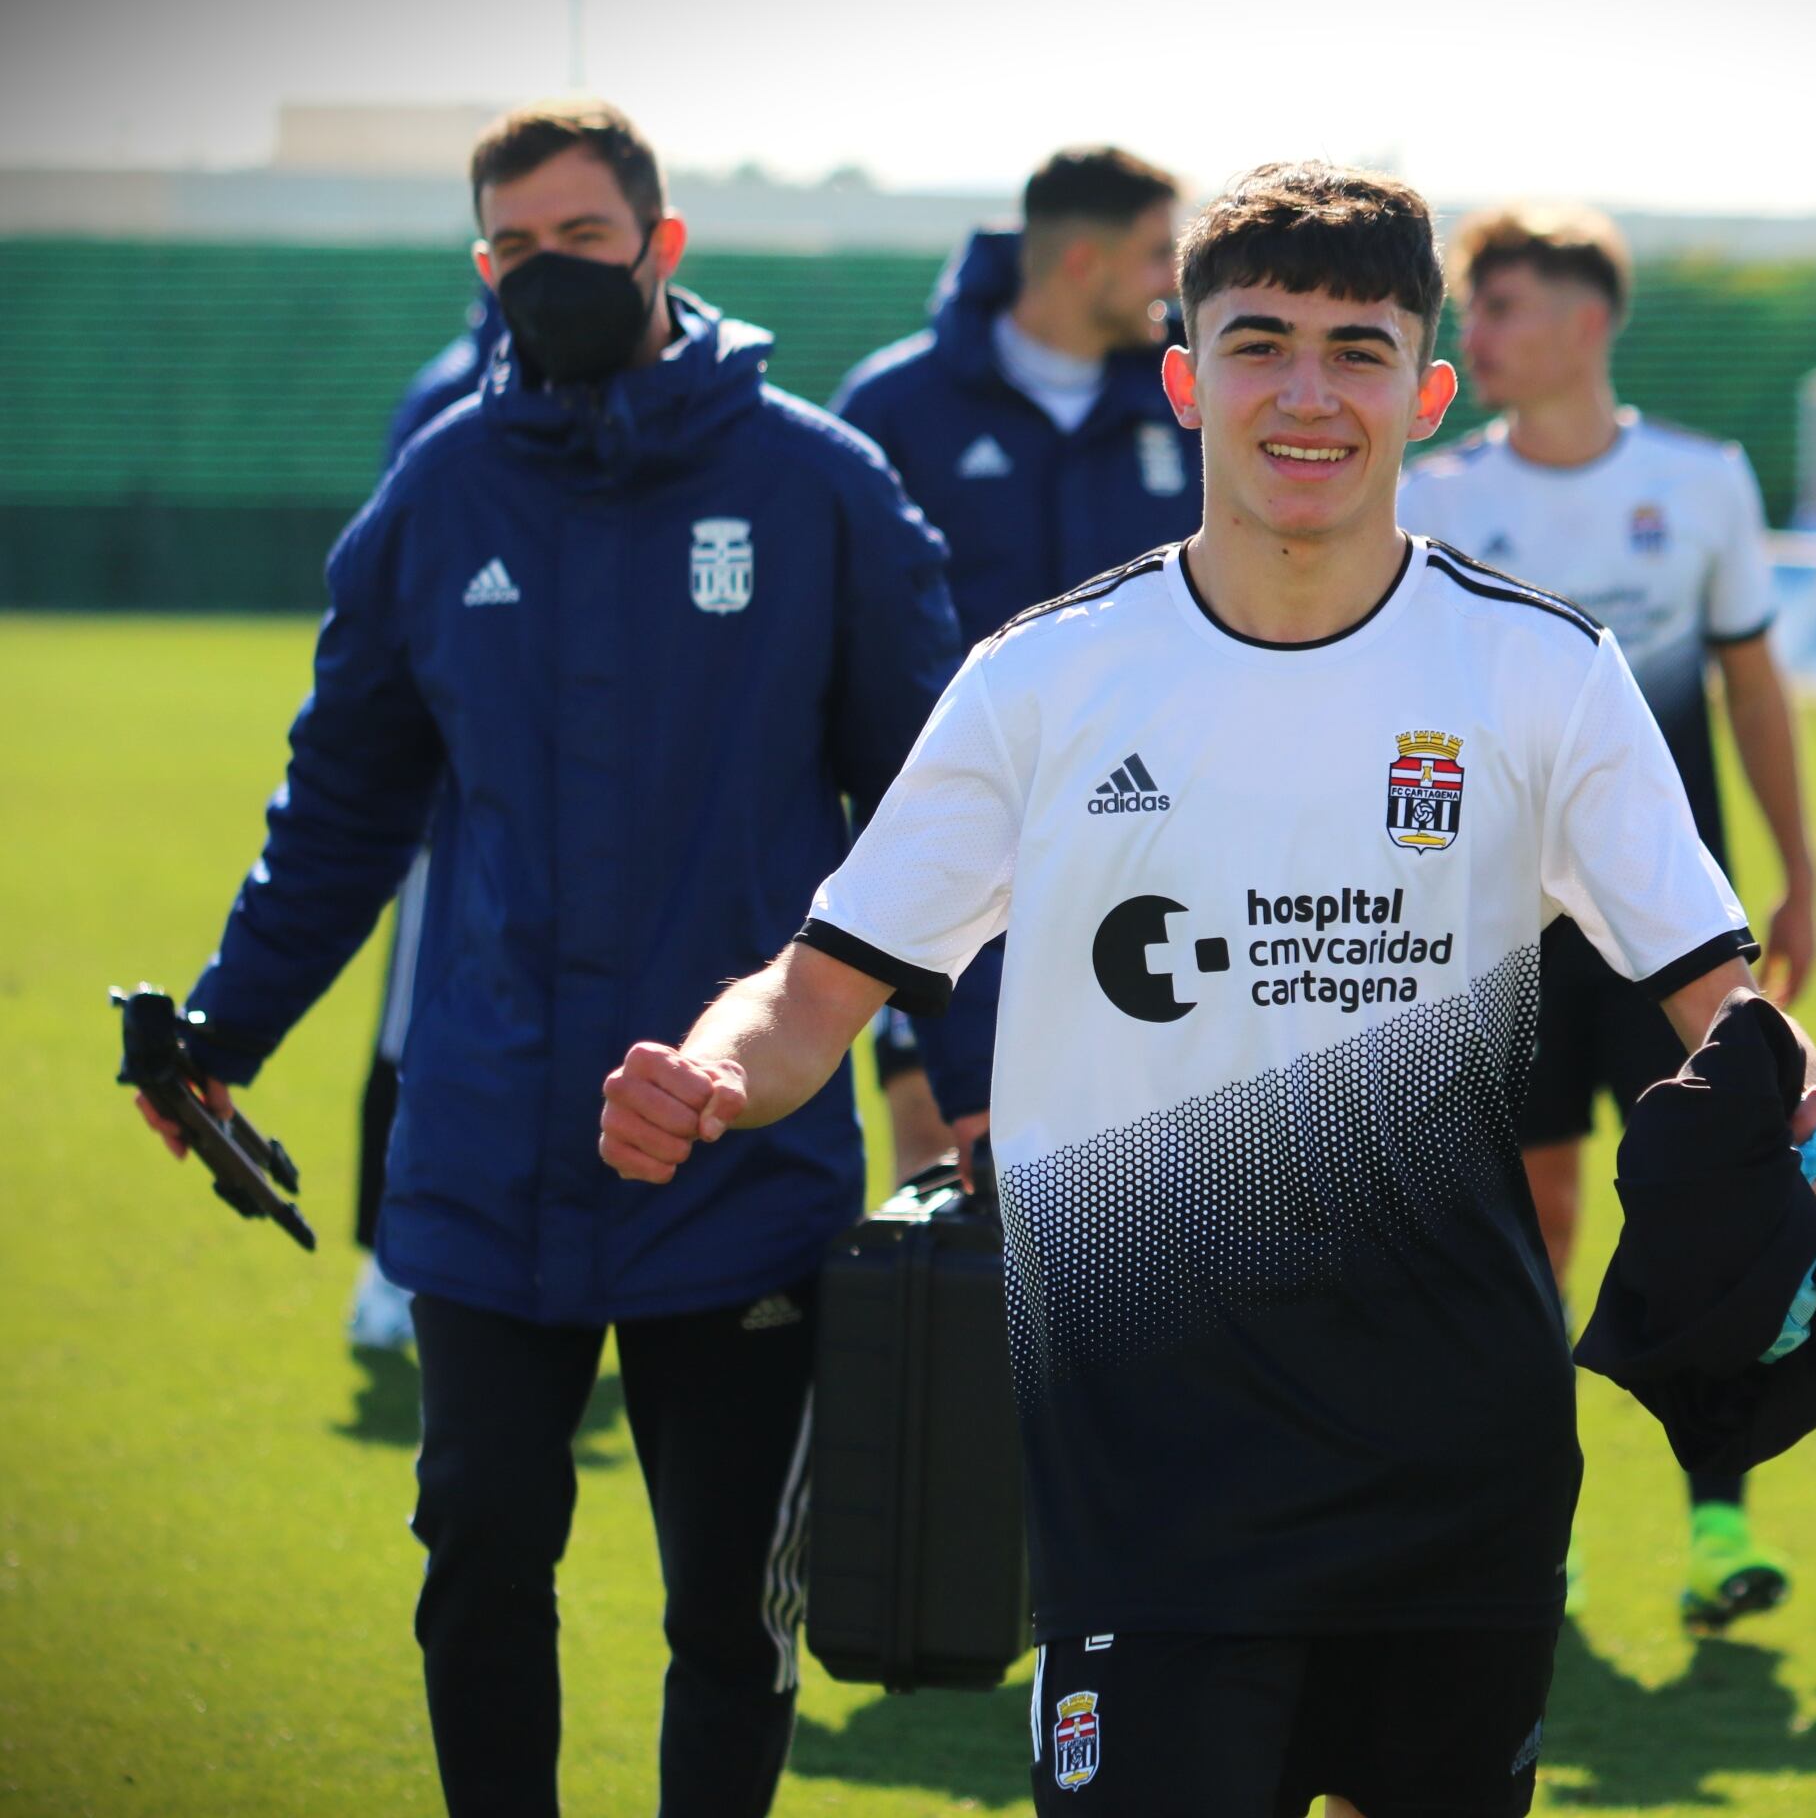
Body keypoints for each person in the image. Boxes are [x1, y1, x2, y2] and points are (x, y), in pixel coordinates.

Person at [600, 160, 1816, 1817]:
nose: (1304, 391)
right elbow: (813, 987)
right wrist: (711, 1069)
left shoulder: (1535, 668)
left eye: (1357, 351)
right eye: (1259, 341)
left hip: (1456, 1455)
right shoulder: (1046, 680)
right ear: (1184, 376)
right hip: (1147, 1462)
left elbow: (1718, 993)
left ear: (1425, 394)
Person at [132, 99, 963, 1817]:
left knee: (731, 1605)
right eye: (510, 249)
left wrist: (950, 1070)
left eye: (580, 242)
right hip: (487, 1138)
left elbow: (936, 804)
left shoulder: (814, 484)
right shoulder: (440, 488)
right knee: (478, 1560)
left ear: (661, 249)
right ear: (480, 269)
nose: (544, 274)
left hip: (739, 1144)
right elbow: (341, 801)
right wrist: (226, 1025)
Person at [1397, 203, 1816, 1632]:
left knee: (1717, 1210)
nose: (1480, 333)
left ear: (1585, 321)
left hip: (1669, 928)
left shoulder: (1703, 484)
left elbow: (1753, 687)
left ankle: (1718, 1526)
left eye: (1502, 306)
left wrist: (1800, 867)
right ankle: (1539, 1531)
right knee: (1539, 1219)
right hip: (1502, 938)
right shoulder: (1439, 500)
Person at [829, 145, 1198, 1186]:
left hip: (1160, 833)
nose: (1172, 279)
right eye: (1154, 253)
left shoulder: (1198, 393)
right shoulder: (897, 407)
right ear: (1081, 260)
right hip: (953, 830)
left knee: (1157, 1152)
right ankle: (940, 1351)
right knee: (946, 1146)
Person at [346, 296, 511, 1353]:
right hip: (456, 785)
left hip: (605, 787)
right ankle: (384, 1268)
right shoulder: (449, 392)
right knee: (415, 1026)